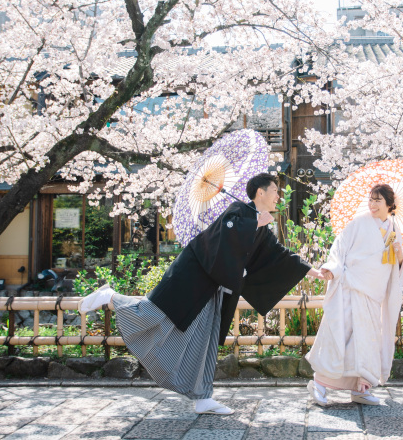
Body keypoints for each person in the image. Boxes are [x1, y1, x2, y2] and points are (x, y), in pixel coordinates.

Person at [80, 173, 324, 415]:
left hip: (213, 287)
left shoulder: (259, 224)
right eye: (275, 191)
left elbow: (279, 255)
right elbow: (226, 231)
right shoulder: (238, 210)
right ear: (261, 192)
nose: (278, 196)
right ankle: (110, 297)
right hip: (192, 276)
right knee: (153, 313)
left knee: (204, 338)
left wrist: (315, 272)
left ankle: (202, 396)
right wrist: (255, 222)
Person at [305, 183, 403, 406]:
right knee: (340, 335)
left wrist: (400, 256)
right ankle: (319, 383)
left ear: (390, 204)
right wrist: (332, 268)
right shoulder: (358, 223)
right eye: (370, 199)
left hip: (373, 293)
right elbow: (338, 249)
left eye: (378, 200)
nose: (372, 204)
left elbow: (396, 268)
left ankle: (361, 387)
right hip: (350, 288)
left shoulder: (394, 229)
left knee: (367, 341)